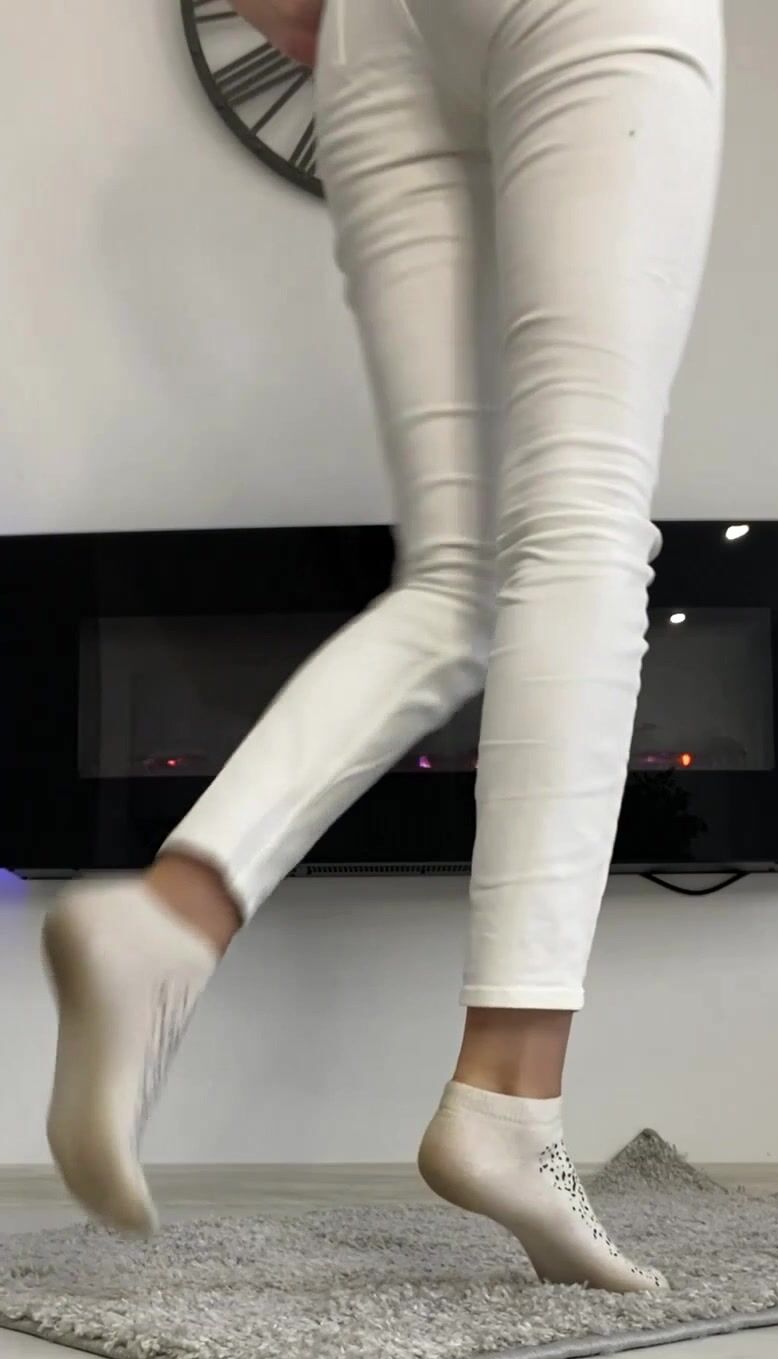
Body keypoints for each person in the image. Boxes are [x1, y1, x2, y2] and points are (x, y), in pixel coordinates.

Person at [42, 0, 724, 1293]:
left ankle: (173, 917)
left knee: (459, 584)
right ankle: (509, 1101)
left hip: (371, 33)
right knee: (582, 525)